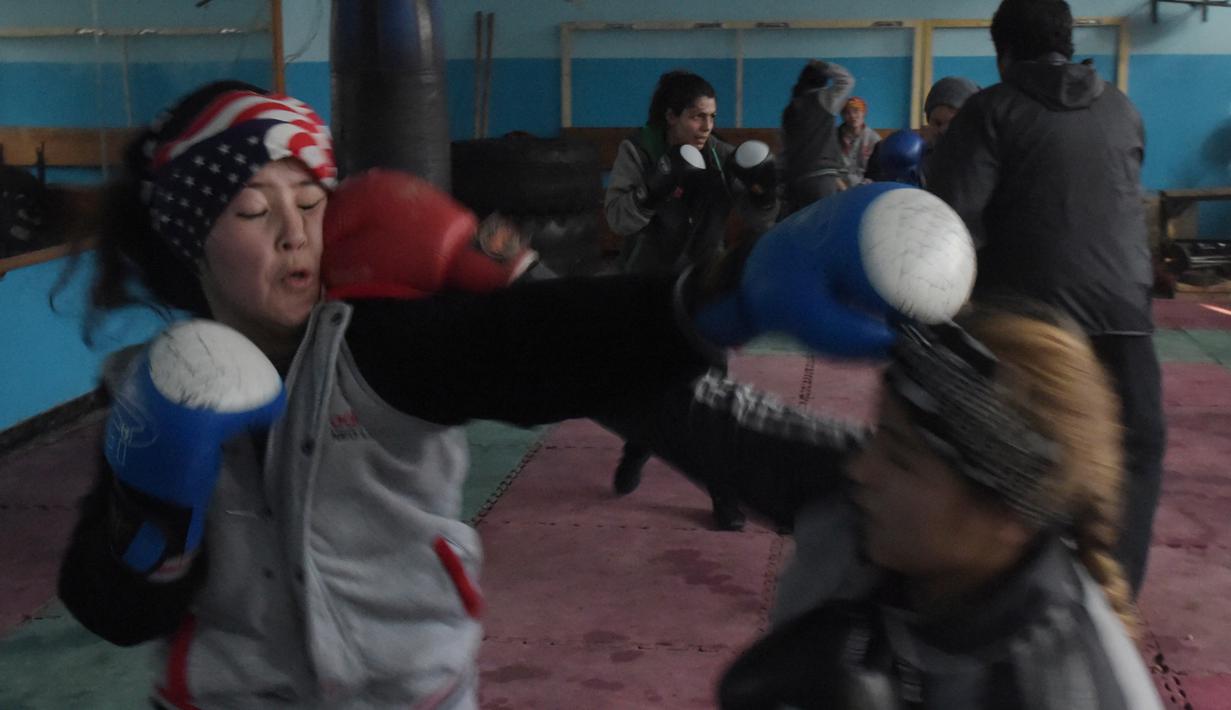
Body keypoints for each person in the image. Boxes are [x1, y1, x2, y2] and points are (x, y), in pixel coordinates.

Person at [57, 82, 959, 709]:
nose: (296, 235)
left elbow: (541, 347)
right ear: (191, 239)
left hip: (410, 697)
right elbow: (110, 609)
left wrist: (725, 293)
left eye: (311, 201)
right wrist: (149, 523)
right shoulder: (147, 389)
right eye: (255, 213)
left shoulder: (378, 346)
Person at [607, 302, 1161, 709]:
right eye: (880, 436)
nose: (861, 468)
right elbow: (687, 413)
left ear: (1007, 518)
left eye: (900, 456)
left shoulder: (1079, 691)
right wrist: (525, 277)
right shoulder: (854, 498)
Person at [927, 0, 1164, 595]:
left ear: (1002, 52)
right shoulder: (1123, 108)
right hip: (1127, 320)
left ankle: (1017, 601)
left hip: (1033, 324)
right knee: (1136, 450)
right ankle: (1114, 602)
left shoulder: (990, 110)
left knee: (1013, 459)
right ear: (1068, 40)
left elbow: (955, 227)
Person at [603, 69, 778, 531]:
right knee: (653, 390)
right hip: (648, 287)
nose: (706, 126)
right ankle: (638, 448)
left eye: (711, 117)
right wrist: (654, 188)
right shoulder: (638, 151)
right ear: (671, 117)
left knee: (714, 394)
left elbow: (759, 219)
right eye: (697, 116)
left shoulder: (721, 157)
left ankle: (724, 496)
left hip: (705, 286)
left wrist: (764, 189)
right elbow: (619, 220)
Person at [866, 76, 979, 185]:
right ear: (929, 122)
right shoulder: (912, 152)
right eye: (937, 123)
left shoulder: (982, 161)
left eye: (954, 124)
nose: (943, 130)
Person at [780, 59, 855, 214]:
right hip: (822, 177)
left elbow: (784, 148)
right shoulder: (824, 98)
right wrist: (825, 66)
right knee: (824, 227)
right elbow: (847, 80)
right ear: (823, 80)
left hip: (796, 179)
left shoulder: (789, 109)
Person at [837, 96, 880, 186]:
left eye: (856, 111)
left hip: (865, 187)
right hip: (839, 186)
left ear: (864, 113)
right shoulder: (834, 136)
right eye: (847, 113)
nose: (852, 116)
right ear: (842, 116)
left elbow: (877, 171)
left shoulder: (874, 139)